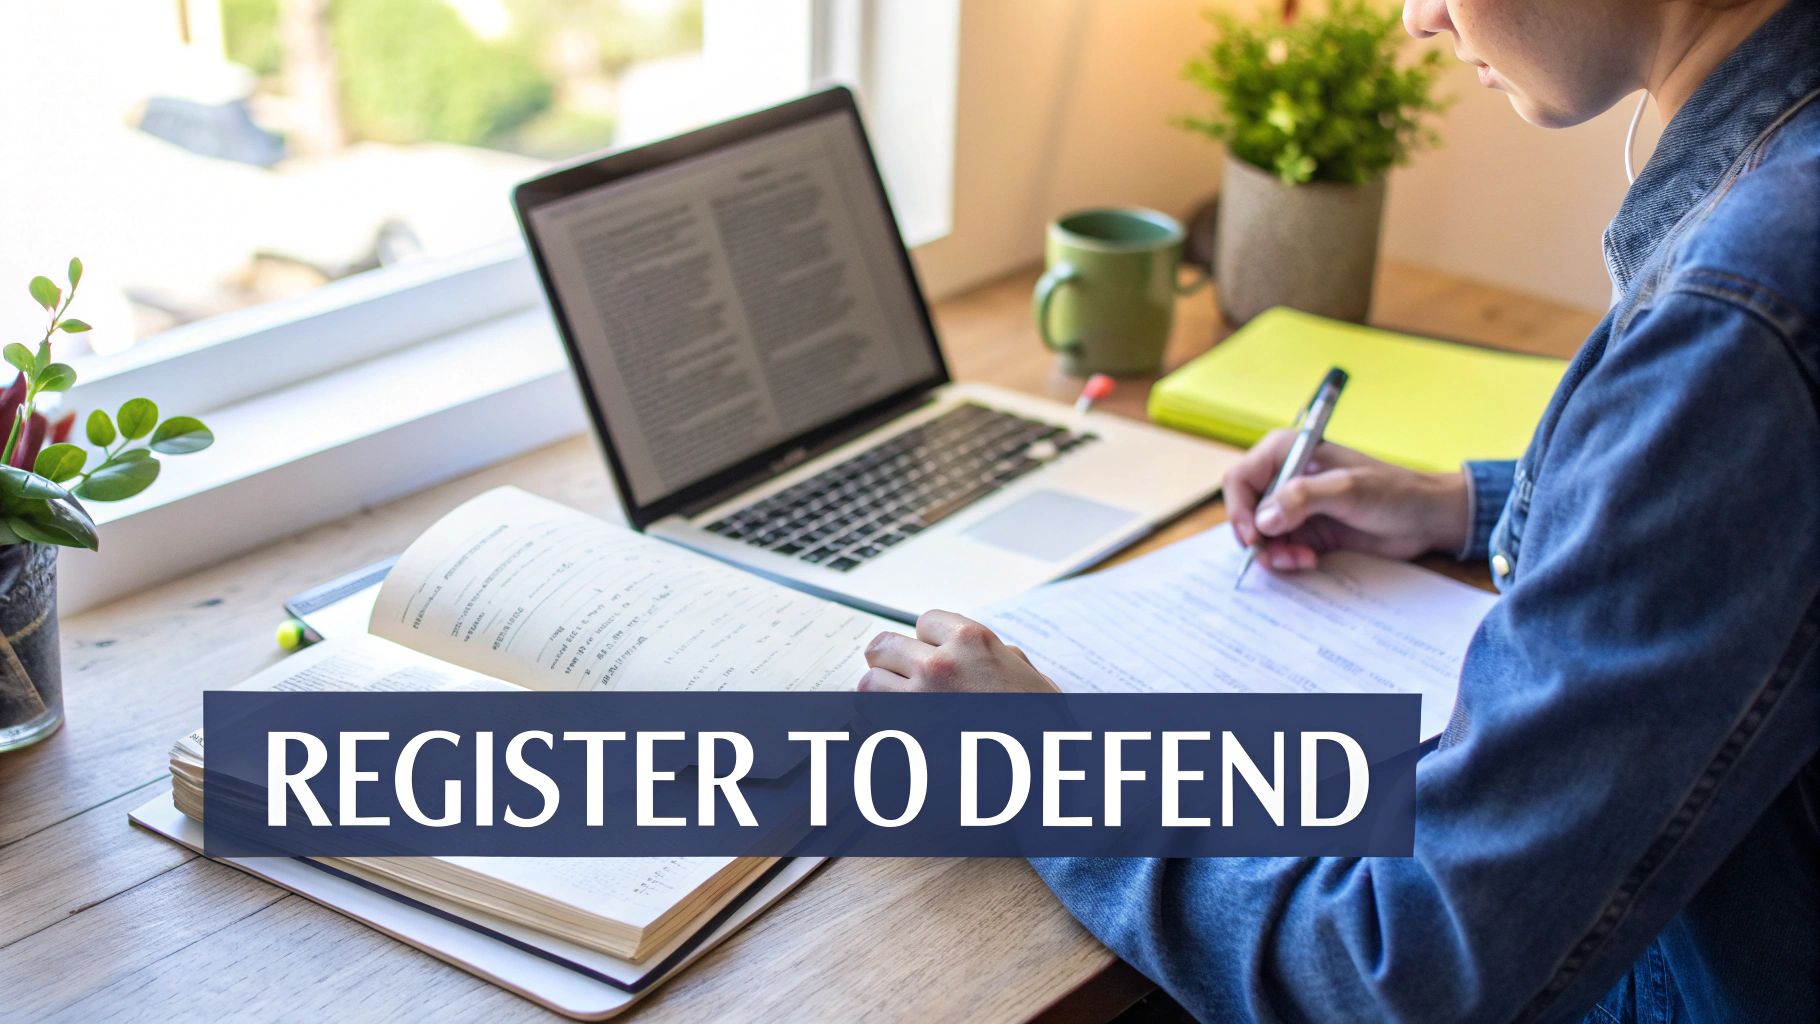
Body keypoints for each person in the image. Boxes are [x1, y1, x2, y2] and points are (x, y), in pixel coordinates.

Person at [859, 0, 1820, 1018]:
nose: (1420, 18)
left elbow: (1402, 968)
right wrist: (1459, 504)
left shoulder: (1739, 310)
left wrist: (1042, 770)